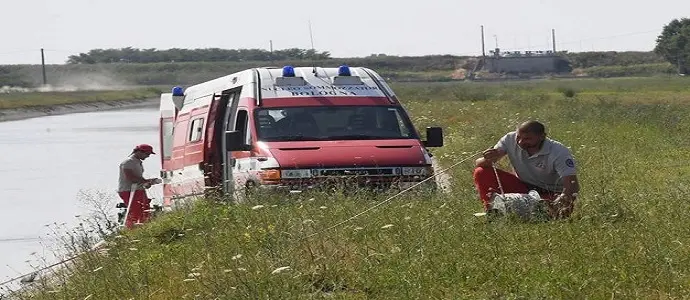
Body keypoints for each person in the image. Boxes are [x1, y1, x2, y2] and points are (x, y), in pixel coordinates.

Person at [473, 121, 580, 219]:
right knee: (481, 172)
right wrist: (487, 158)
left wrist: (562, 203)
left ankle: (534, 210)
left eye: (527, 139)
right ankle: (493, 212)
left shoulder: (559, 151)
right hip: (522, 186)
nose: (520, 142)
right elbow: (482, 164)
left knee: (546, 213)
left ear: (542, 137)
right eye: (518, 137)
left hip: (549, 193)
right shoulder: (509, 139)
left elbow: (572, 184)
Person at [117, 144, 159, 228]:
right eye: (147, 154)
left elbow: (138, 178)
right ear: (140, 152)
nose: (148, 156)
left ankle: (143, 228)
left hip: (138, 189)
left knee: (144, 210)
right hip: (128, 191)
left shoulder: (137, 162)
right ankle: (131, 230)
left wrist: (147, 183)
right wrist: (146, 181)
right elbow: (131, 177)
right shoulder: (128, 162)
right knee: (135, 212)